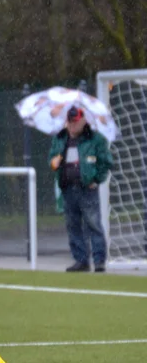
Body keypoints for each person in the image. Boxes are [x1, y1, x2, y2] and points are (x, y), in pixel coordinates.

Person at [49, 105, 113, 272]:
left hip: (87, 188)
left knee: (93, 224)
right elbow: (52, 158)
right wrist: (53, 163)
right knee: (73, 225)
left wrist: (96, 179)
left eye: (76, 122)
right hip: (68, 189)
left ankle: (99, 261)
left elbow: (106, 162)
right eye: (70, 122)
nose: (72, 125)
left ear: (84, 120)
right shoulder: (60, 138)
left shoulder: (95, 139)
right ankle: (81, 260)